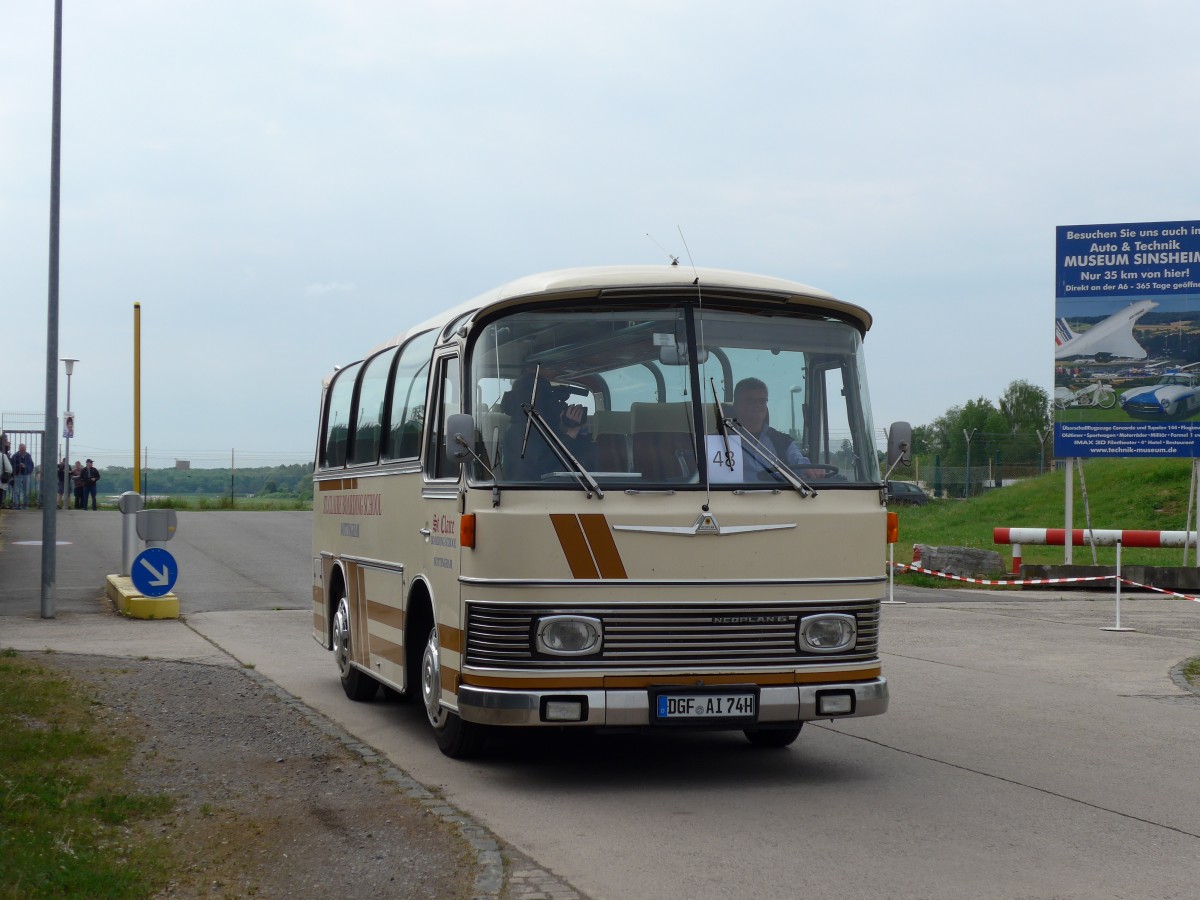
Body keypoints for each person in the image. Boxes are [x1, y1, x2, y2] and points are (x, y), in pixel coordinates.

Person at [500, 374, 596, 479]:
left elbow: (584, 461)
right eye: (547, 399)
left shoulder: (542, 427)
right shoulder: (520, 431)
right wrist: (570, 434)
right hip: (532, 488)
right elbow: (543, 470)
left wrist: (577, 430)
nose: (554, 405)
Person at [730, 378, 811, 481]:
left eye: (762, 401)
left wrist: (811, 470)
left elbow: (800, 464)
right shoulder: (721, 441)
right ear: (736, 406)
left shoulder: (782, 441)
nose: (757, 405)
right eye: (750, 401)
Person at [10, 442, 35, 510]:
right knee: (16, 491)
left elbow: (31, 464)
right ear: (19, 449)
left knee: (26, 491)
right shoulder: (15, 456)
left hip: (26, 474)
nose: (23, 450)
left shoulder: (28, 456)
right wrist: (19, 466)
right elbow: (11, 466)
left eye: (24, 449)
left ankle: (25, 506)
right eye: (21, 449)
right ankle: (17, 505)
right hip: (17, 474)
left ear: (25, 449)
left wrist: (29, 471)